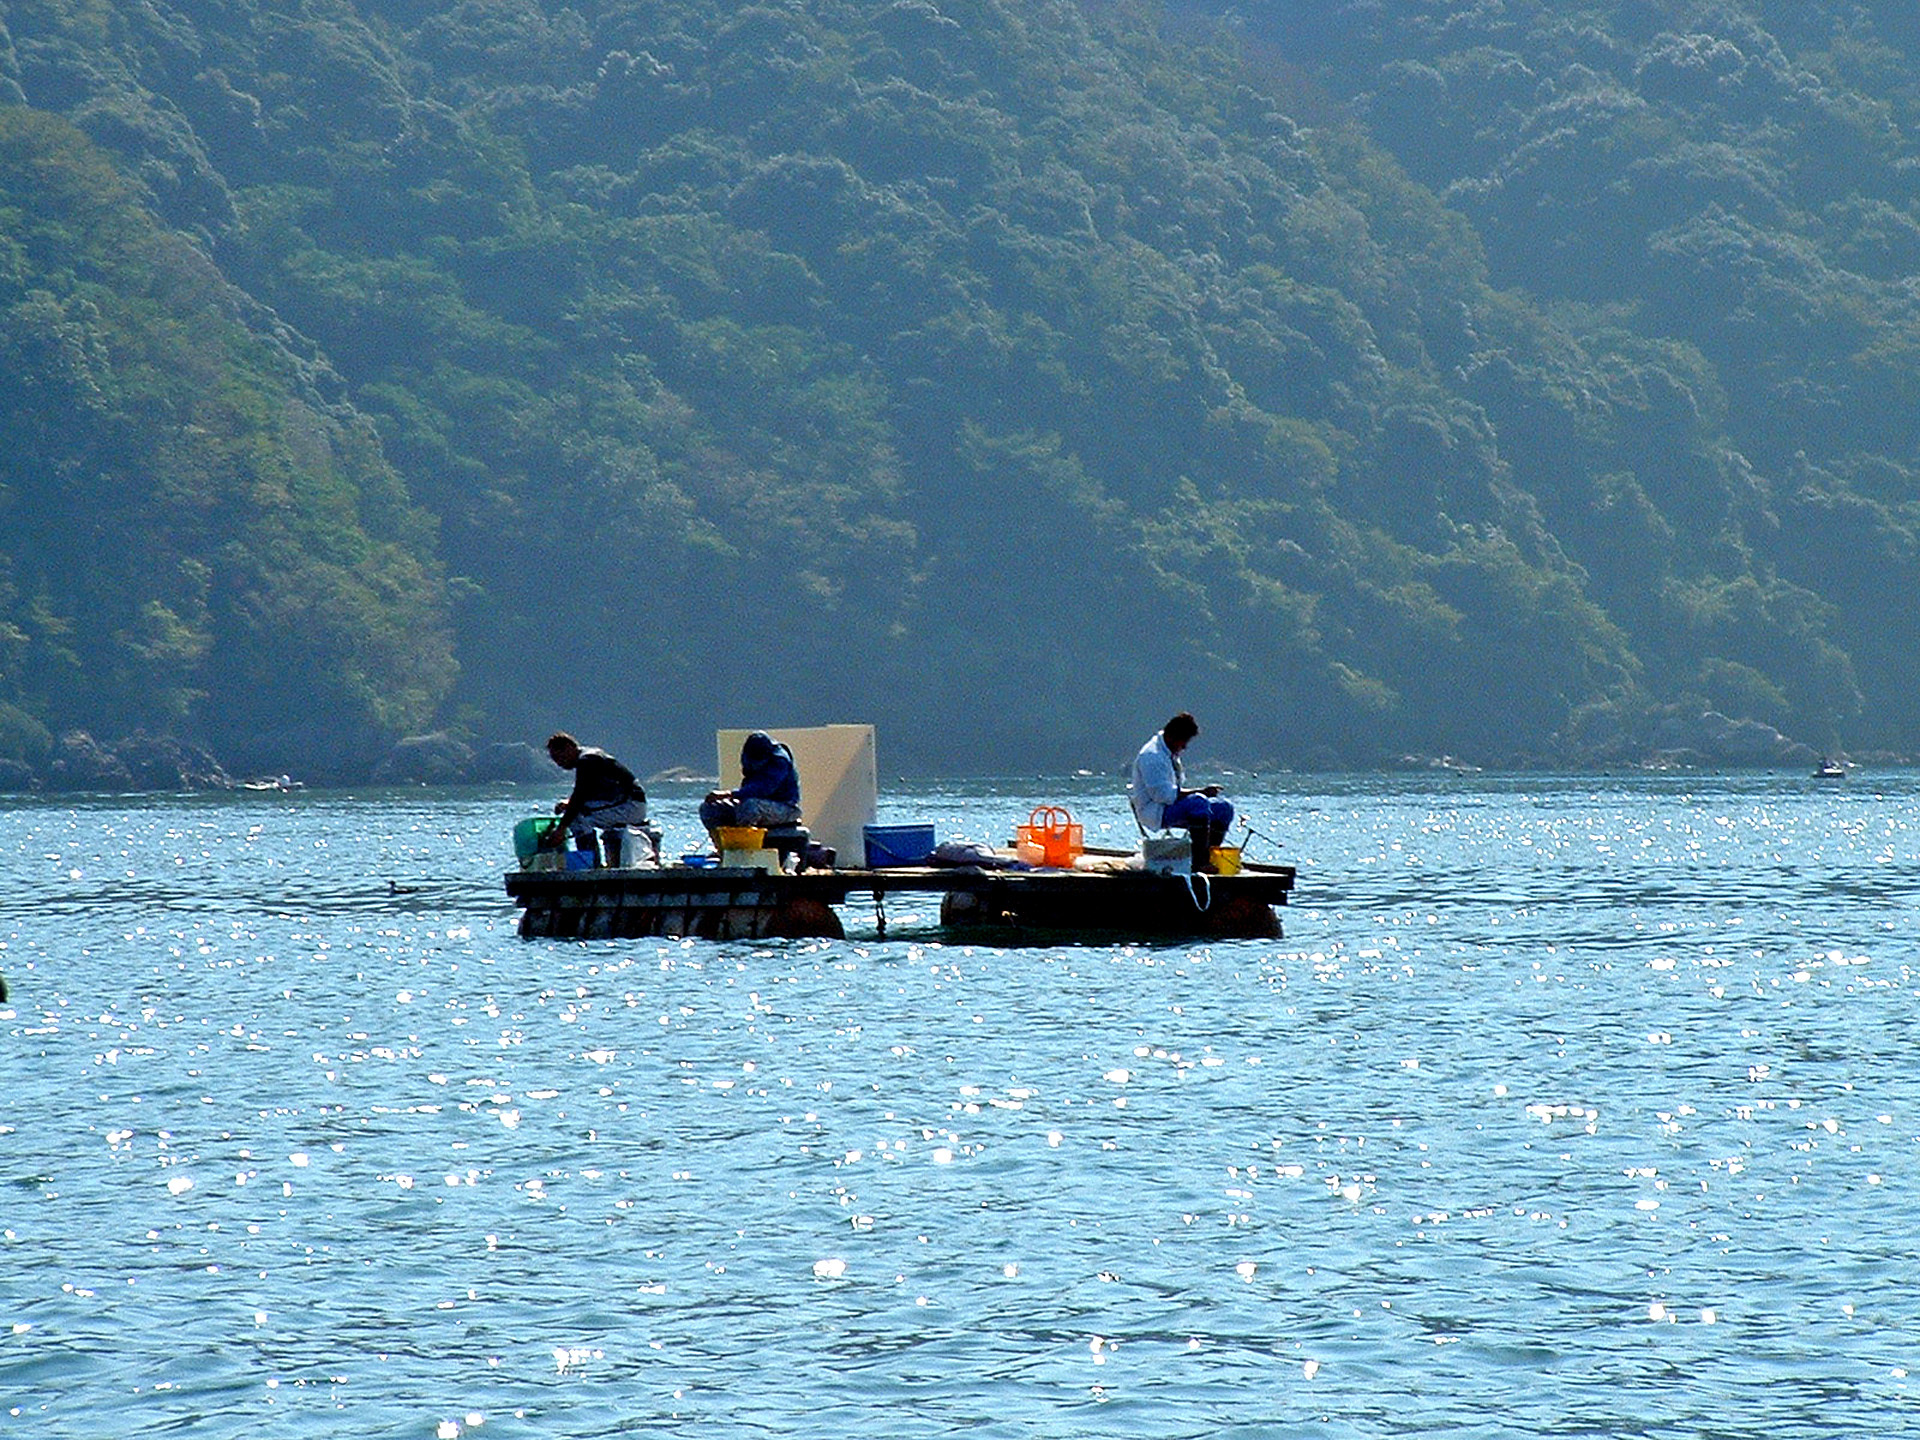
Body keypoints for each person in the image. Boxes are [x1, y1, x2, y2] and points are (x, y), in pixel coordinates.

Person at [1128, 711, 1234, 873]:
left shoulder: (1170, 752)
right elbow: (1164, 796)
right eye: (1183, 741)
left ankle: (1209, 856)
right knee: (1198, 801)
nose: (1184, 746)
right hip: (1155, 811)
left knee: (1224, 807)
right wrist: (1202, 792)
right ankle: (1199, 862)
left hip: (1170, 805)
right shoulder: (1152, 756)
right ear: (1172, 737)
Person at [542, 732, 651, 865]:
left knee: (578, 818)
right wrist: (569, 803)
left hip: (630, 805)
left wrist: (561, 830)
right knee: (576, 811)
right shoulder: (590, 757)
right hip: (623, 803)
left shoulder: (587, 760)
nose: (559, 763)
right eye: (555, 760)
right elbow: (588, 791)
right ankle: (594, 860)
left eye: (560, 757)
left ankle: (590, 865)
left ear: (570, 747)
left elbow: (579, 796)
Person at [700, 731, 802, 844]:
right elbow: (748, 784)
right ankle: (723, 848)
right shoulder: (748, 756)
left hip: (785, 807)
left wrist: (730, 794)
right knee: (709, 808)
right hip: (752, 800)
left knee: (750, 807)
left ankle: (743, 847)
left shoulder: (780, 760)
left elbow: (764, 788)